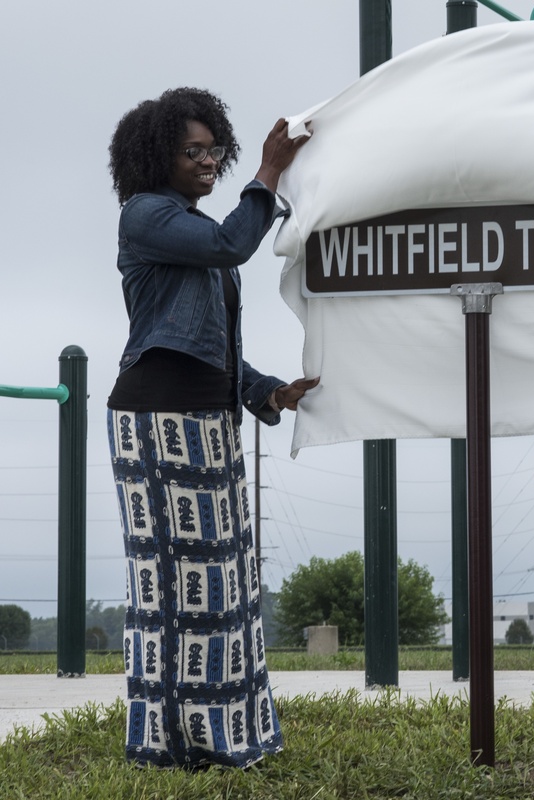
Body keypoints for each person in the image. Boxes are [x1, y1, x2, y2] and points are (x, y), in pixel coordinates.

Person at [106, 87, 317, 768]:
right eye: (189, 150)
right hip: (158, 421)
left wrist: (267, 391)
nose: (205, 160)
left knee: (224, 585)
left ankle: (226, 734)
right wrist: (268, 172)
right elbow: (232, 244)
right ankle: (171, 744)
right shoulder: (146, 216)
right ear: (155, 156)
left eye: (211, 149)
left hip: (208, 419)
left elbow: (212, 341)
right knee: (175, 590)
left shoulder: (186, 226)